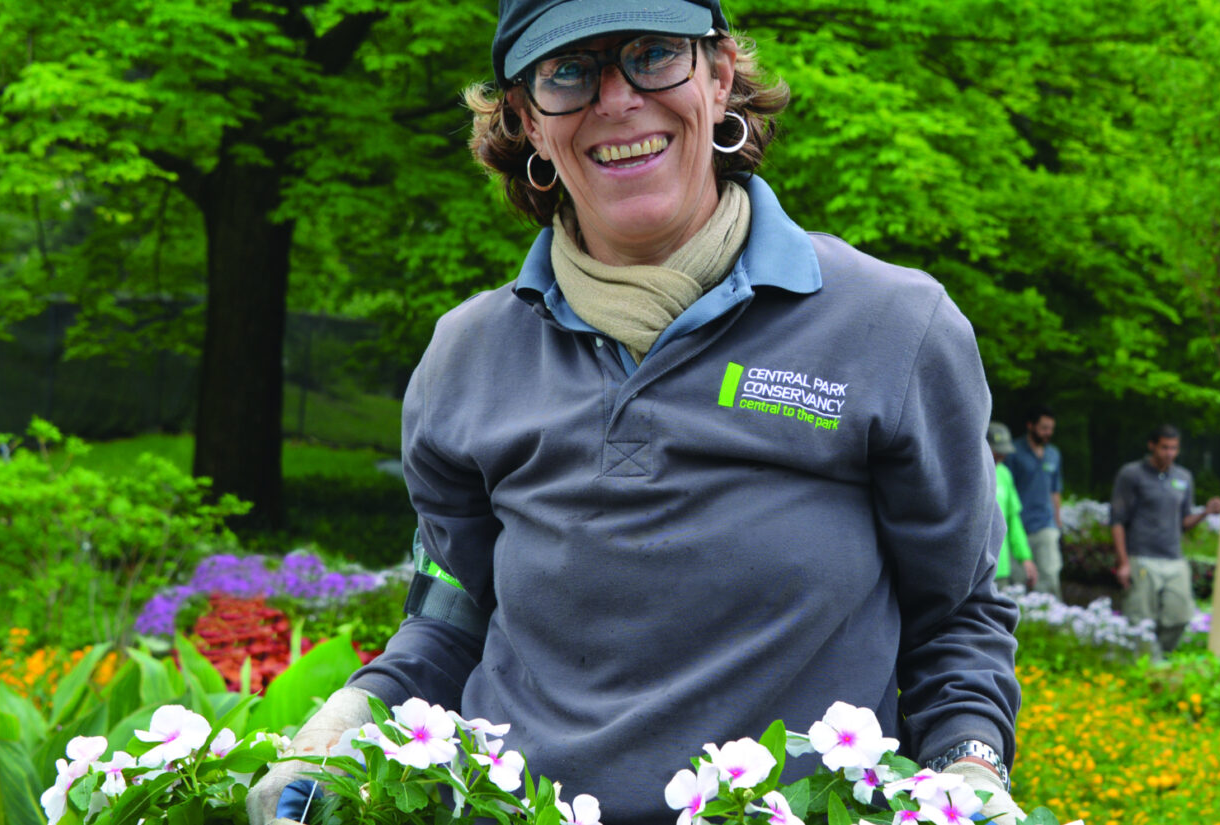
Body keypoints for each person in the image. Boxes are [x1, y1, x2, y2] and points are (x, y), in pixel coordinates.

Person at [247, 2, 1030, 824]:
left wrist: (970, 768)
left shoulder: (893, 328)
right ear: (526, 119)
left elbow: (958, 618)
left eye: (653, 54)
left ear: (720, 75)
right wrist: (353, 714)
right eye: (569, 72)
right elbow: (450, 615)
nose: (616, 99)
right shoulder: (467, 356)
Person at [1108, 424, 1220, 659]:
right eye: (1164, 447)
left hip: (1173, 557)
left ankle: (1158, 656)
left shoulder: (1183, 477)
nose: (1169, 453)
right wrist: (1123, 563)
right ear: (1152, 446)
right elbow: (1117, 520)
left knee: (1180, 615)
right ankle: (1147, 666)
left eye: (1174, 448)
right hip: (1142, 556)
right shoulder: (1132, 474)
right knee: (1141, 619)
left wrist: (1205, 513)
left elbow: (1185, 521)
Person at [1005, 405, 1062, 599]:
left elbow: (1056, 491)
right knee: (1018, 581)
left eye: (1051, 428)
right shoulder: (1013, 452)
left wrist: (1058, 522)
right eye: (1044, 428)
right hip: (1019, 526)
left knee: (1049, 576)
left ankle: (1052, 620)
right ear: (1030, 425)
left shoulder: (1054, 454)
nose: (1048, 433)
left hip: (1046, 525)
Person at [988, 422, 1037, 591]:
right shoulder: (968, 473)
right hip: (975, 569)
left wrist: (1025, 557)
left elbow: (1013, 520)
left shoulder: (1004, 474)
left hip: (1001, 568)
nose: (1000, 456)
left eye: (1003, 452)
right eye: (996, 451)